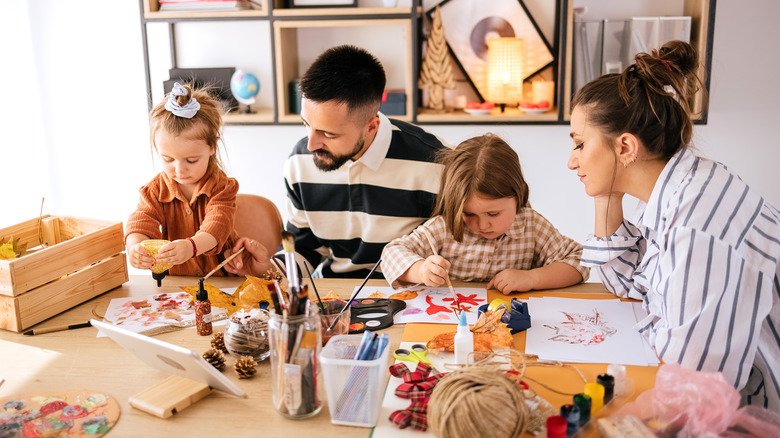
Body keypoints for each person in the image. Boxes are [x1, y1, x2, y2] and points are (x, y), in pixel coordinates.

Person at [567, 40, 780, 411]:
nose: (571, 162)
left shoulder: (696, 226)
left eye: (580, 145)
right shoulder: (683, 188)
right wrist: (606, 193)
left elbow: (694, 384)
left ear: (626, 148)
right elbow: (630, 286)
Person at [227, 44, 447, 279]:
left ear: (371, 126)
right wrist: (269, 268)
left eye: (328, 134)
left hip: (411, 297)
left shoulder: (435, 164)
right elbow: (305, 249)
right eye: (306, 124)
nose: (311, 144)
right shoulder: (300, 161)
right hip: (336, 297)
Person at [382, 133, 589, 294]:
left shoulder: (531, 226)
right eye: (469, 214)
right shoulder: (444, 227)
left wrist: (532, 278)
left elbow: (580, 260)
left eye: (493, 214)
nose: (482, 225)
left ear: (518, 195)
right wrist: (421, 270)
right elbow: (390, 254)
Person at [125, 82, 239, 277]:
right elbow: (141, 219)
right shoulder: (154, 190)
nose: (179, 170)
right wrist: (135, 246)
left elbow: (217, 225)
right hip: (176, 285)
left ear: (212, 147)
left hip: (222, 281)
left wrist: (191, 247)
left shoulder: (222, 188)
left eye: (191, 160)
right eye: (168, 159)